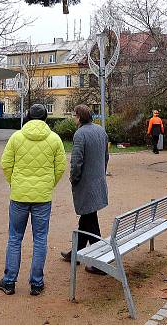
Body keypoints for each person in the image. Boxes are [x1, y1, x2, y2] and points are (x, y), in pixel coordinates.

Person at [0, 104, 66, 297]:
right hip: (42, 197)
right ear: (46, 118)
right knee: (40, 239)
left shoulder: (16, 137)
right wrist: (48, 184)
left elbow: (5, 163)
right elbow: (60, 167)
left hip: (19, 195)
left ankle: (9, 281)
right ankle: (36, 283)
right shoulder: (54, 139)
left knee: (14, 238)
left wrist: (15, 183)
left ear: (27, 116)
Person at [61, 105, 109, 275]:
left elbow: (76, 162)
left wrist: (74, 179)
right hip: (98, 181)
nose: (74, 119)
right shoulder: (100, 131)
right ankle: (76, 252)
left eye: (75, 116)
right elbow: (106, 157)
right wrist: (100, 173)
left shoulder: (80, 134)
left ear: (79, 117)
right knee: (88, 216)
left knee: (90, 221)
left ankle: (100, 261)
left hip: (86, 184)